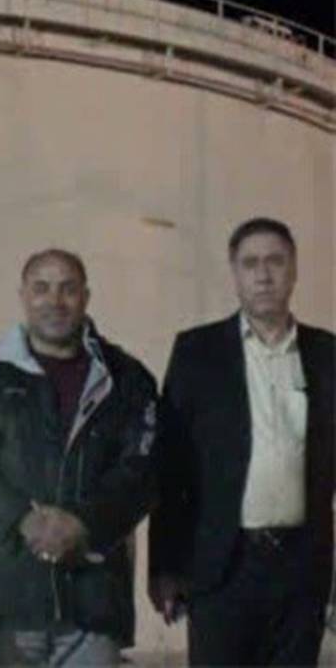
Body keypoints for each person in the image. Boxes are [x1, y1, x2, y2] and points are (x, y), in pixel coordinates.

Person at [0, 248, 157, 666]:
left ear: (86, 297)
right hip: (4, 604)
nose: (54, 301)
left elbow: (142, 471)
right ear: (23, 296)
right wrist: (22, 520)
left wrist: (84, 523)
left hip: (94, 605)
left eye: (68, 289)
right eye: (41, 288)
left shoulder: (126, 378)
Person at [149, 218, 334, 666]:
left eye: (275, 262)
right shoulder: (197, 352)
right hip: (222, 567)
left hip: (301, 567)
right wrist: (164, 566)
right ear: (234, 273)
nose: (263, 275)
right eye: (250, 264)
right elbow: (170, 468)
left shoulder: (328, 354)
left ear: (294, 270)